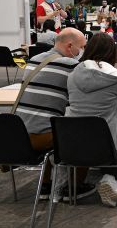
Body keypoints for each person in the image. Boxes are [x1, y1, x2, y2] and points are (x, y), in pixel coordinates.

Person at [14, 28, 91, 200]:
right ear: (70, 46)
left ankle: (46, 185)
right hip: (42, 137)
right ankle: (74, 187)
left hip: (18, 135)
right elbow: (87, 91)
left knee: (51, 124)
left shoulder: (34, 60)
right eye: (82, 47)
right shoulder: (70, 65)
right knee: (86, 134)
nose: (82, 51)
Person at [66, 33, 117, 207]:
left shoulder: (73, 74)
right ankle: (110, 177)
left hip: (74, 140)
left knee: (100, 140)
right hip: (108, 142)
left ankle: (77, 185)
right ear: (112, 53)